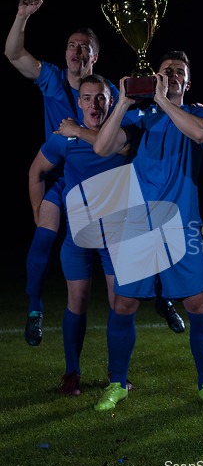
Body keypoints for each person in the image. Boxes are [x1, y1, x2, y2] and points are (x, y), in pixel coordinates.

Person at [4, 0, 184, 345]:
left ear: (94, 57)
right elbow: (13, 53)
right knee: (44, 234)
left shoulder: (109, 93)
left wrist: (179, 103)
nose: (76, 52)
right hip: (65, 178)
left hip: (106, 183)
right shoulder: (51, 80)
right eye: (71, 46)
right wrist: (22, 15)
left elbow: (133, 129)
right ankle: (35, 309)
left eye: (84, 48)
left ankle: (162, 295)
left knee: (146, 224)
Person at [90, 50, 203, 413]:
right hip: (138, 222)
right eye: (165, 70)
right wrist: (121, 102)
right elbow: (103, 147)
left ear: (187, 82)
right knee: (124, 304)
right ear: (155, 76)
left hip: (182, 224)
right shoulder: (140, 116)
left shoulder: (196, 114)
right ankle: (117, 383)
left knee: (198, 305)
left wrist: (165, 101)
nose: (171, 74)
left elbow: (200, 133)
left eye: (179, 71)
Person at [28, 73, 133, 395]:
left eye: (100, 97)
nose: (94, 104)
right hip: (78, 237)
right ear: (79, 102)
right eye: (87, 98)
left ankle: (118, 375)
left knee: (121, 304)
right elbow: (36, 171)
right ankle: (71, 374)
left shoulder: (124, 133)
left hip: (114, 236)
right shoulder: (64, 138)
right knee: (78, 300)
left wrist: (77, 130)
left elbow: (110, 147)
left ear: (111, 100)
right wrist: (37, 213)